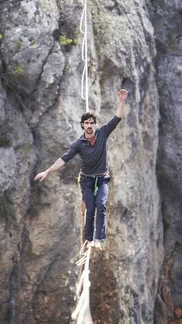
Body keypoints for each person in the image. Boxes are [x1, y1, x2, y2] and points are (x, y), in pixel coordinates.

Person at [34, 89, 129, 249]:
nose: (90, 125)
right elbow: (63, 160)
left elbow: (117, 118)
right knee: (90, 208)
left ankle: (99, 239)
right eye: (87, 123)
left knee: (101, 204)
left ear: (95, 124)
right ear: (83, 125)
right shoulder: (78, 144)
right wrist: (47, 171)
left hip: (102, 178)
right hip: (86, 180)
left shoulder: (103, 134)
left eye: (92, 123)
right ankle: (89, 239)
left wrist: (121, 101)